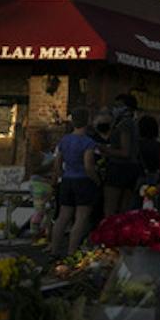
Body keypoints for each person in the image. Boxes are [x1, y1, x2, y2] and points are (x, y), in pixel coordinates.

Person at [50, 108, 98, 256]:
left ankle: (54, 249)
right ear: (87, 121)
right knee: (81, 218)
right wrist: (97, 179)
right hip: (83, 180)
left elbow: (57, 162)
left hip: (67, 179)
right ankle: (71, 252)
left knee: (63, 216)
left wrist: (60, 175)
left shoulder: (64, 140)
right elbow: (88, 165)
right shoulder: (88, 142)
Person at [101, 93, 142, 217]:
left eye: (118, 106)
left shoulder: (124, 124)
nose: (114, 108)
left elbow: (125, 151)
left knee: (110, 209)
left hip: (118, 168)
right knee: (124, 210)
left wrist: (103, 149)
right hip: (131, 169)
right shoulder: (132, 123)